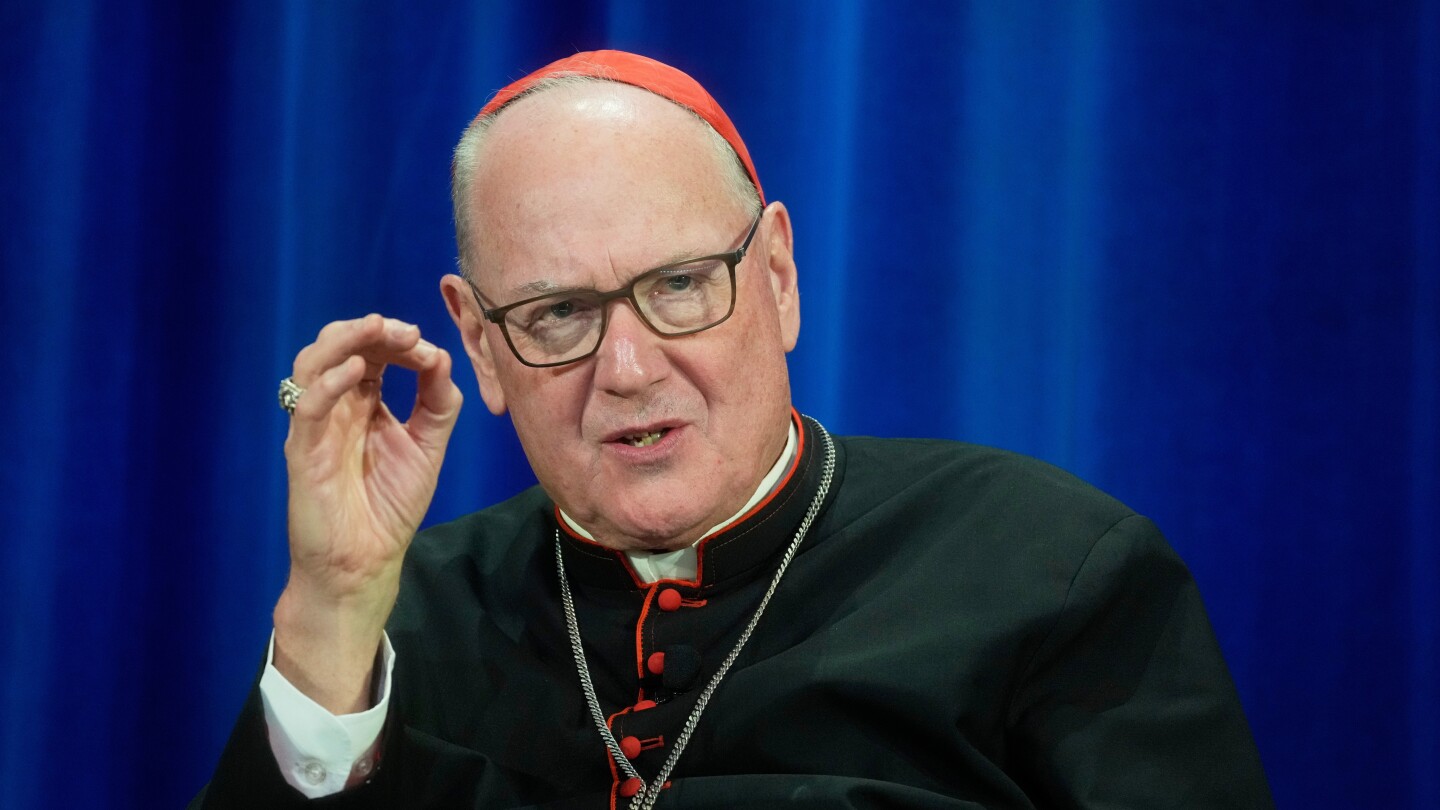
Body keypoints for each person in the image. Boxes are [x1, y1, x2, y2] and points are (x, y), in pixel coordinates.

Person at [194, 51, 1273, 809]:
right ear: (480, 344)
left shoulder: (1053, 572)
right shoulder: (394, 623)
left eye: (679, 285)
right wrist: (331, 607)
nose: (628, 370)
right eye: (558, 314)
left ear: (779, 277)